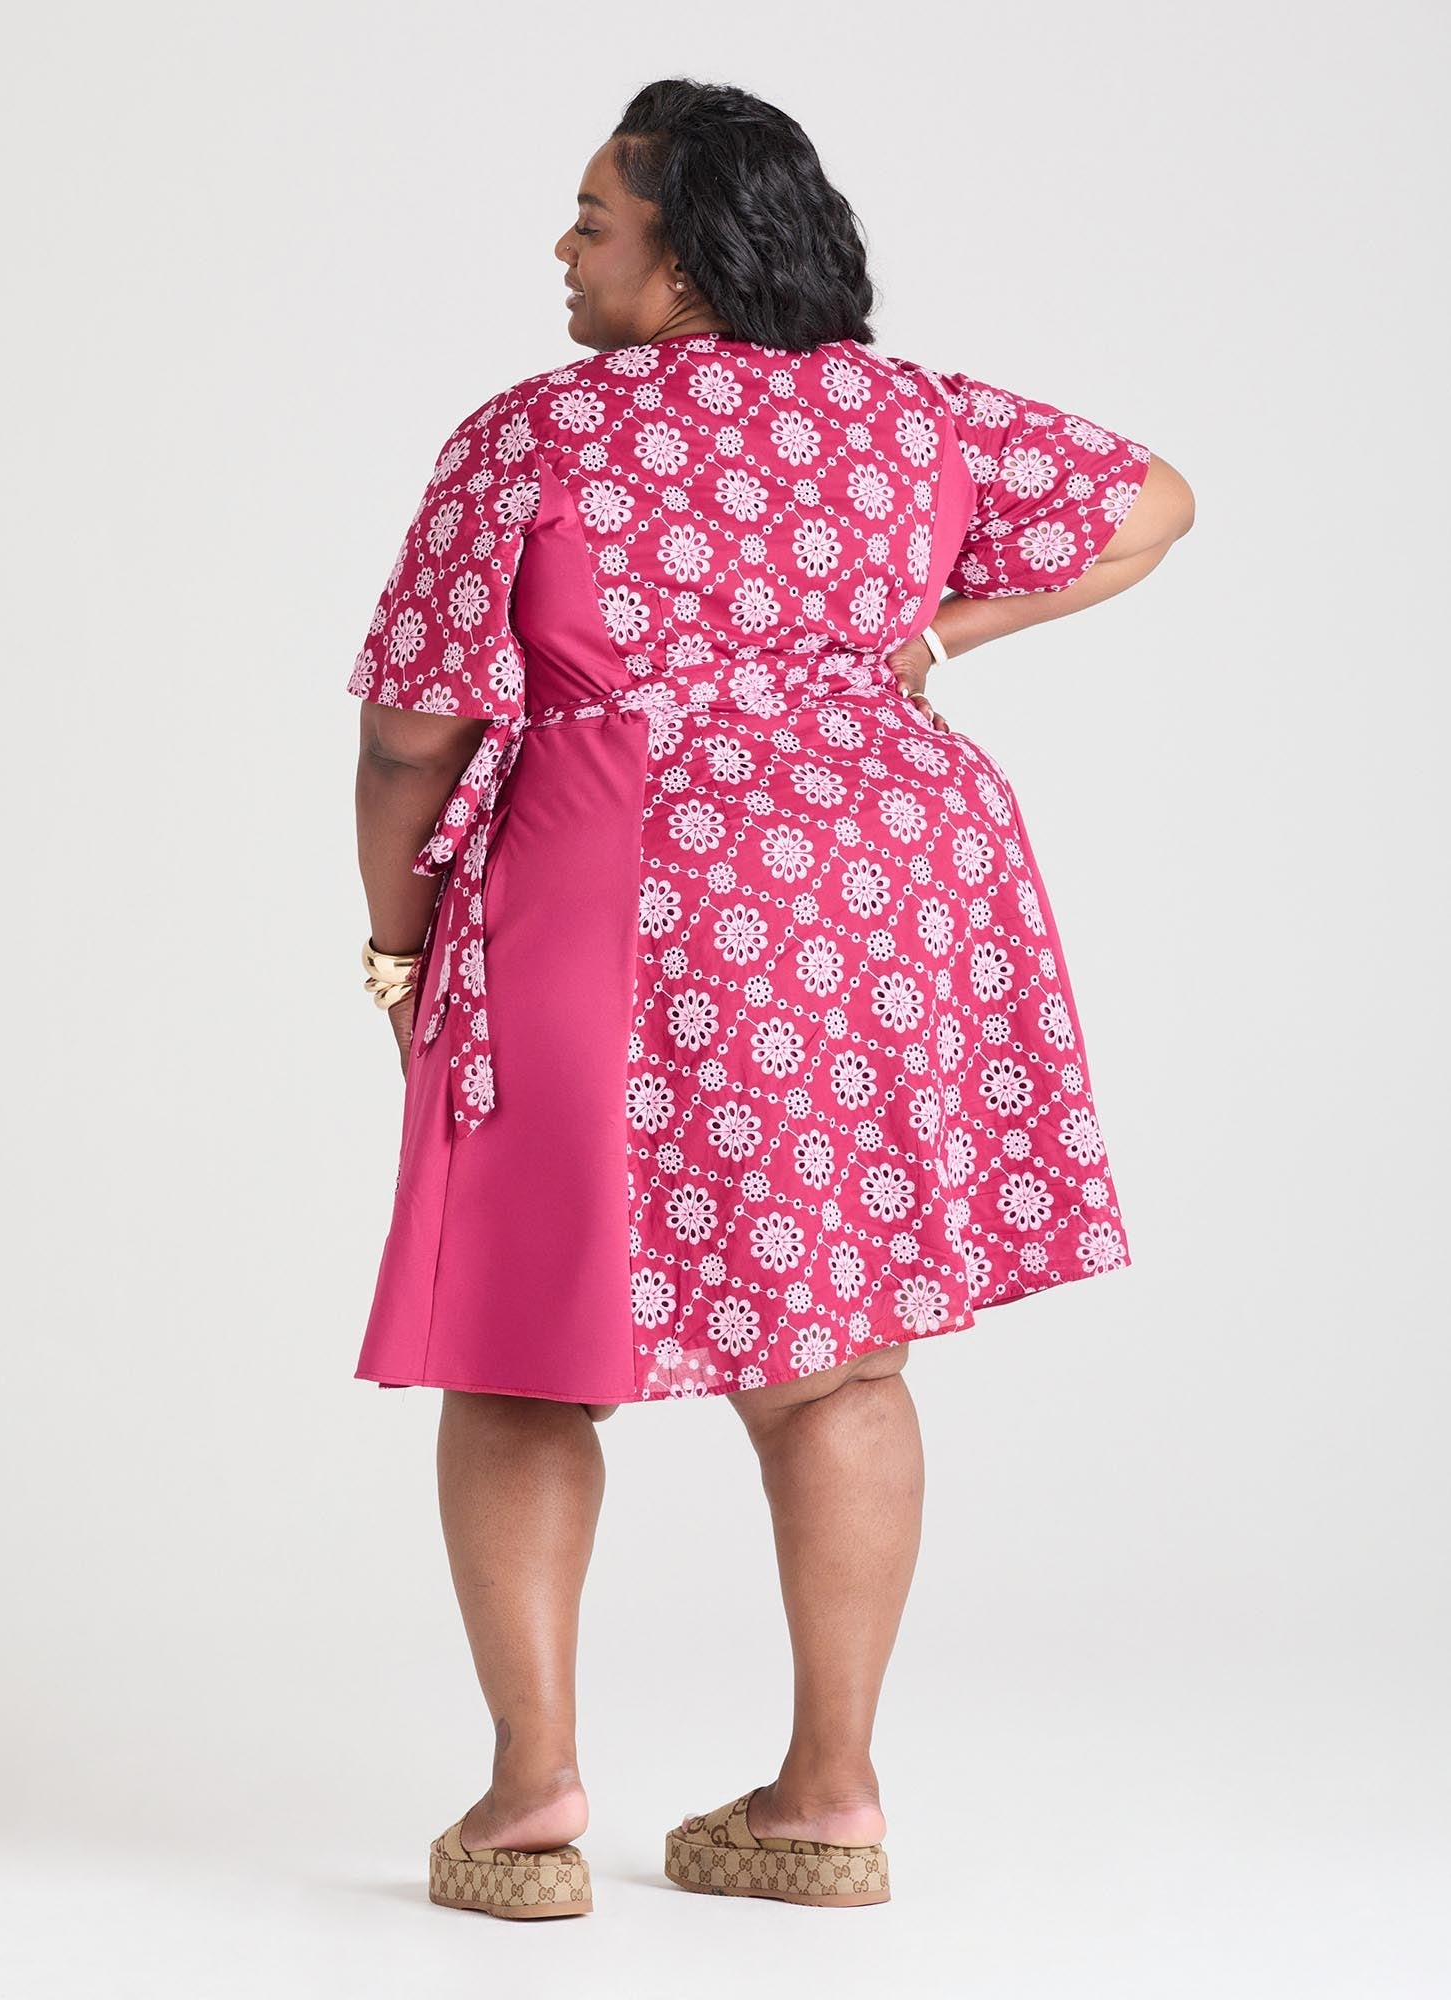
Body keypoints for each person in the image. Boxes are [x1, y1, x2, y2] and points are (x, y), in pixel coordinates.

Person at [347, 78, 1194, 1919]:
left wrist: (400, 949)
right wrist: (922, 642)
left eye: (594, 220)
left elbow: (415, 736)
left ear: (683, 260)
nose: (565, 248)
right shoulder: (909, 413)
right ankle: (828, 1802)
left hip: (610, 874)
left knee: (520, 1342)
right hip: (875, 891)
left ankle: (530, 1805)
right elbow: (1153, 505)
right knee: (841, 1355)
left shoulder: (537, 436)